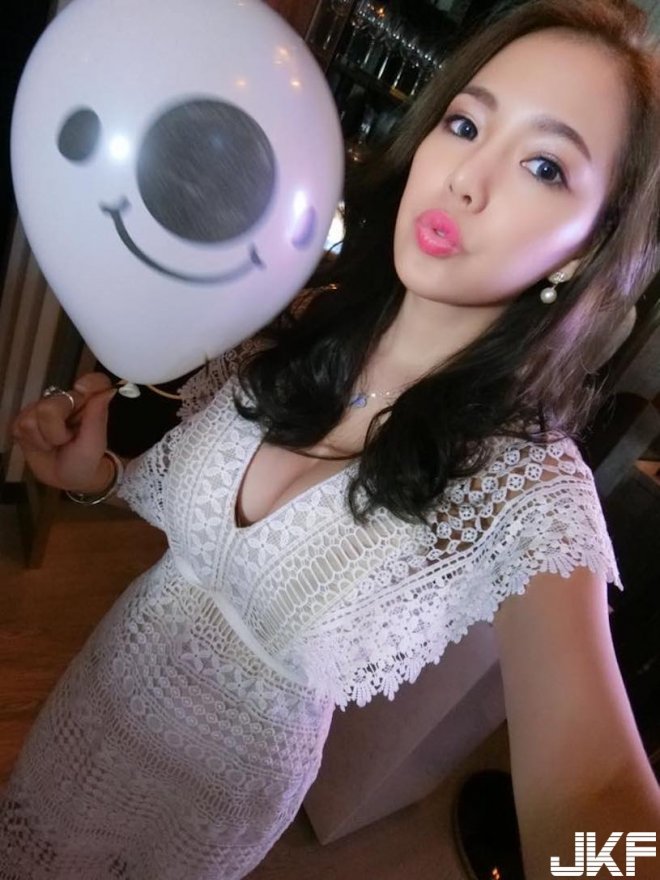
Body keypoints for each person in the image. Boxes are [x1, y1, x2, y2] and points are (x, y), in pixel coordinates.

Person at [3, 0, 660, 877]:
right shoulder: (306, 317)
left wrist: (609, 865)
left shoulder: (529, 491)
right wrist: (97, 476)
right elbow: (201, 530)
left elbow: (597, 791)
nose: (467, 180)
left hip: (210, 805)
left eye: (544, 166)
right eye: (465, 124)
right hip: (101, 700)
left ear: (584, 249)